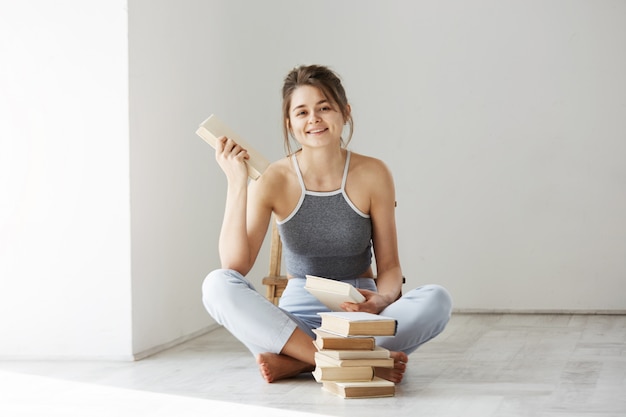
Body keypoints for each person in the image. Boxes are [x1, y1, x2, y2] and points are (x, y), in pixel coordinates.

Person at [202, 64, 452, 383]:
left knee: (438, 299)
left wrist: (382, 300)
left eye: (324, 108)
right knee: (217, 284)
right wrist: (237, 183)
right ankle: (337, 360)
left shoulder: (374, 174)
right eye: (302, 112)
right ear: (289, 123)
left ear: (344, 113)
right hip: (294, 325)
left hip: (360, 317)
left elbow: (389, 267)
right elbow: (234, 265)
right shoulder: (273, 179)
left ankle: (300, 362)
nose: (314, 119)